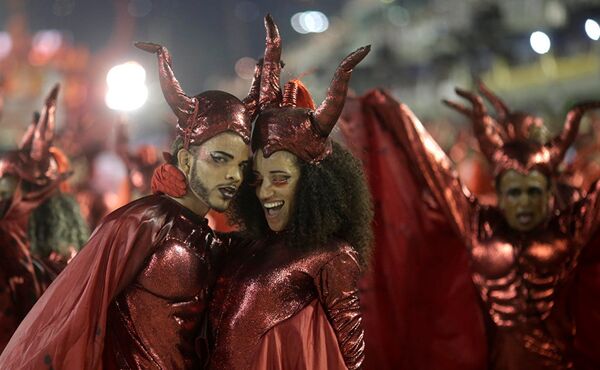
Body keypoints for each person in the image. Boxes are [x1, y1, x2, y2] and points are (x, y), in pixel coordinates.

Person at [0, 38, 261, 369]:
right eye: (220, 159)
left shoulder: (213, 241)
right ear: (186, 158)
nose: (233, 176)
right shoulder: (141, 223)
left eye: (241, 166)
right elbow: (69, 315)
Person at [152, 15, 372, 370]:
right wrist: (178, 187)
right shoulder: (243, 244)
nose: (265, 191)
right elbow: (188, 247)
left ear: (315, 185)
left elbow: (350, 357)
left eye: (280, 178)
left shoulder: (332, 256)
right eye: (256, 178)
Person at [343, 85, 600, 369]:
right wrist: (392, 112)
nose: (524, 203)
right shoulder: (481, 226)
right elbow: (438, 173)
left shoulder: (569, 229)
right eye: (515, 193)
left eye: (533, 192)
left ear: (550, 192)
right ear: (500, 194)